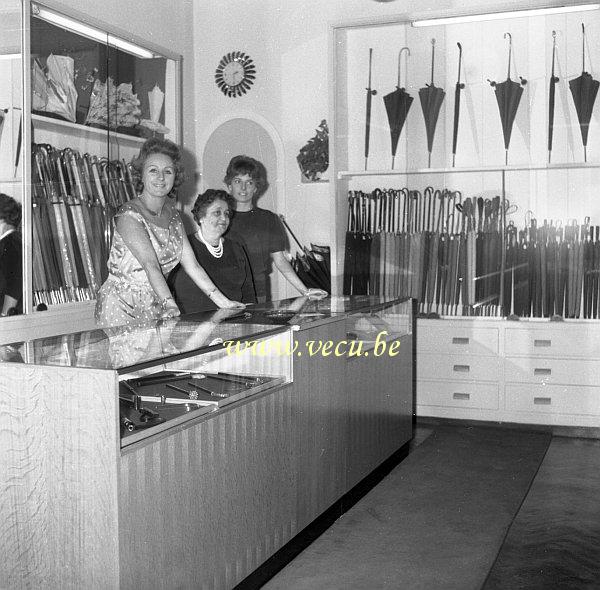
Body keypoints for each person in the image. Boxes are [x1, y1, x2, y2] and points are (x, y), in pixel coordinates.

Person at [95, 138, 244, 327]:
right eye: (153, 170)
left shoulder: (174, 216)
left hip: (158, 301)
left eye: (168, 171)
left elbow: (193, 266)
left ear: (176, 177)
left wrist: (225, 303)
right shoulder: (129, 215)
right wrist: (170, 305)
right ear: (141, 175)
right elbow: (151, 266)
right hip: (123, 307)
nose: (161, 178)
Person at [224, 155, 327, 302]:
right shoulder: (222, 218)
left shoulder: (268, 219)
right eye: (237, 181)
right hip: (225, 295)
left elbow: (280, 261)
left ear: (256, 188)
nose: (243, 188)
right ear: (229, 185)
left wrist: (305, 291)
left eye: (249, 182)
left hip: (257, 295)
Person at [168, 189, 256, 313]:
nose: (224, 218)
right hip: (194, 324)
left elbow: (248, 292)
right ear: (201, 216)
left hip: (234, 321)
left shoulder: (236, 248)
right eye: (217, 213)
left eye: (226, 213)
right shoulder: (185, 247)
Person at [0, 193, 22, 316]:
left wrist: (4, 316)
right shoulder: (10, 241)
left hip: (8, 319)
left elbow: (15, 284)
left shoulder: (11, 242)